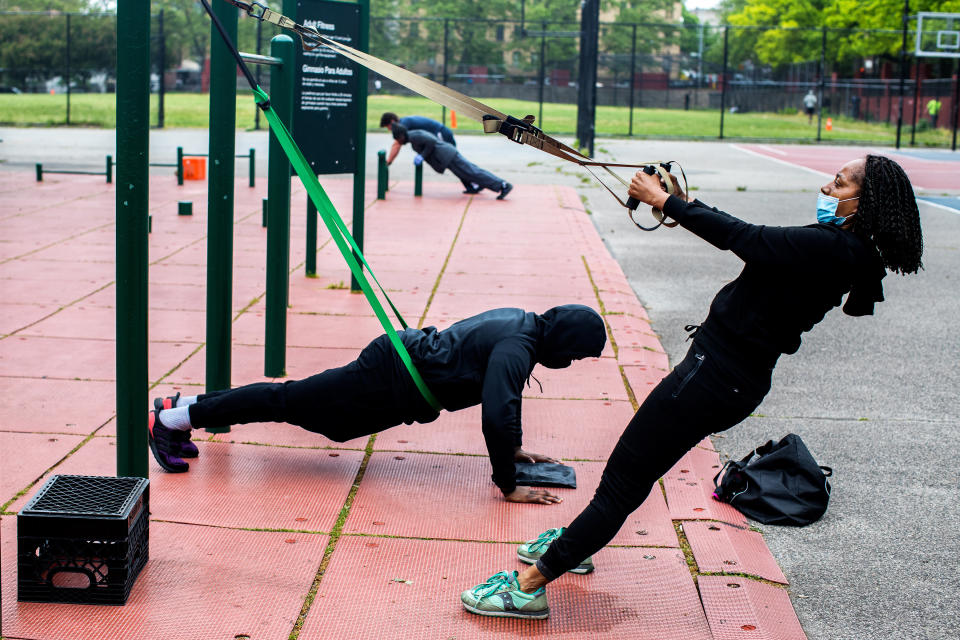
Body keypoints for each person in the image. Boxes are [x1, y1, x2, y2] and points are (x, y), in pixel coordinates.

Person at [461, 154, 924, 619]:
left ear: (865, 203)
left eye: (840, 184)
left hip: (713, 378)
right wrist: (679, 203)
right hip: (728, 379)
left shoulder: (831, 248)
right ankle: (573, 544)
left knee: (623, 480)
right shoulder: (847, 248)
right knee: (630, 474)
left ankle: (530, 585)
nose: (827, 190)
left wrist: (667, 203)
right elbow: (755, 241)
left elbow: (744, 238)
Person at [148, 305, 605, 503]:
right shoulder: (517, 346)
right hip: (387, 376)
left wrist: (517, 447)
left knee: (304, 408)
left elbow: (507, 399)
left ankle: (184, 407)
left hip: (397, 377)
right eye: (576, 353)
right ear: (565, 340)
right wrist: (508, 483)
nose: (570, 361)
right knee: (288, 400)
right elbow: (496, 413)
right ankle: (172, 417)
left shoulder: (525, 327)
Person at [391, 123, 513, 199]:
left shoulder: (414, 136)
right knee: (467, 173)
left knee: (472, 172)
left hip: (448, 154)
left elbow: (431, 141)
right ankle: (476, 187)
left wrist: (422, 155)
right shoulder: (412, 138)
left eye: (398, 139)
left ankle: (503, 185)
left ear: (402, 135)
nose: (398, 142)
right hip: (447, 157)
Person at [379, 111, 479, 191]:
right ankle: (472, 184)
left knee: (455, 162)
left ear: (392, 122)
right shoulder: (405, 122)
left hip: (441, 133)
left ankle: (476, 182)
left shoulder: (403, 124)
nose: (388, 130)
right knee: (455, 163)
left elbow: (397, 144)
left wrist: (389, 161)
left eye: (387, 127)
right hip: (441, 133)